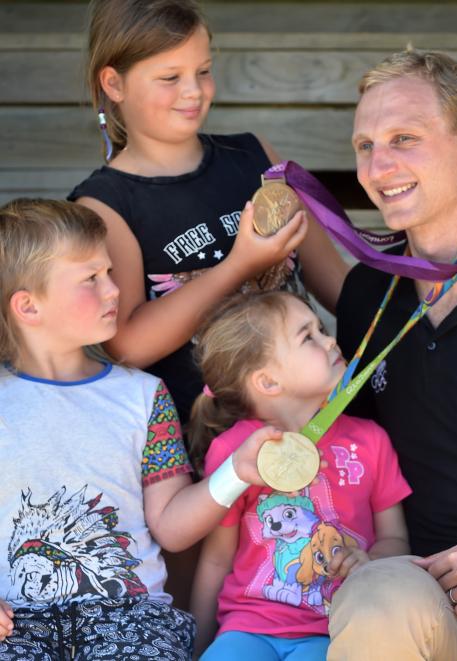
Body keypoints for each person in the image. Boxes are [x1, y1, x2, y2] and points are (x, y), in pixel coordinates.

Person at [0, 197, 284, 660]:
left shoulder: (143, 396)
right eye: (91, 278)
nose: (114, 290)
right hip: (17, 622)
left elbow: (171, 527)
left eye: (109, 272)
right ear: (29, 307)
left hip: (129, 619)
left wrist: (237, 471)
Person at [68, 0, 347, 427]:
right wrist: (239, 265)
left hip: (317, 422)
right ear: (114, 83)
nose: (194, 91)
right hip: (208, 452)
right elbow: (127, 344)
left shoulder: (255, 155)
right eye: (169, 77)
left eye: (203, 71)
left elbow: (338, 287)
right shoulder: (104, 205)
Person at [328, 49, 457, 659]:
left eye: (405, 138)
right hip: (438, 609)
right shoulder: (367, 294)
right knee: (378, 595)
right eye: (365, 145)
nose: (379, 165)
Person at [187, 290, 411, 659]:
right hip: (248, 628)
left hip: (335, 630)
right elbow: (216, 559)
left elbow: (396, 539)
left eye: (321, 328)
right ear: (269, 382)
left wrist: (371, 561)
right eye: (309, 336)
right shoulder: (237, 453)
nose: (331, 339)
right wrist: (196, 648)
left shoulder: (370, 441)